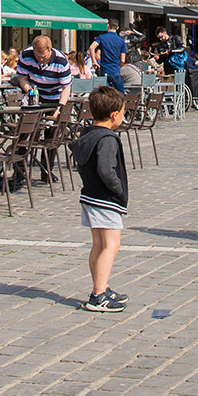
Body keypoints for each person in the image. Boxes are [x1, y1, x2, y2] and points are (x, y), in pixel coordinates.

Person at [72, 85, 129, 312]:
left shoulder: (88, 135)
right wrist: (118, 189)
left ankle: (101, 286)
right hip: (105, 198)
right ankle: (98, 294)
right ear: (114, 115)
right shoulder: (107, 139)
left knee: (98, 244)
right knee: (111, 246)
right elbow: (107, 170)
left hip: (90, 195)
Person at [15, 33, 73, 108]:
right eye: (37, 56)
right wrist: (31, 92)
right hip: (34, 96)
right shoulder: (25, 56)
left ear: (50, 50)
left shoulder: (61, 61)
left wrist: (60, 108)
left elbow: (66, 88)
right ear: (33, 49)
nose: (41, 59)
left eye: (44, 56)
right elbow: (22, 78)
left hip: (55, 98)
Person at [88, 22, 127, 94]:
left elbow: (91, 47)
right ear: (117, 28)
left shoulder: (101, 37)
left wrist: (94, 61)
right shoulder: (121, 41)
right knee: (121, 94)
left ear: (108, 26)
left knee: (105, 95)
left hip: (105, 70)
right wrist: (119, 66)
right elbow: (122, 60)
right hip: (115, 70)